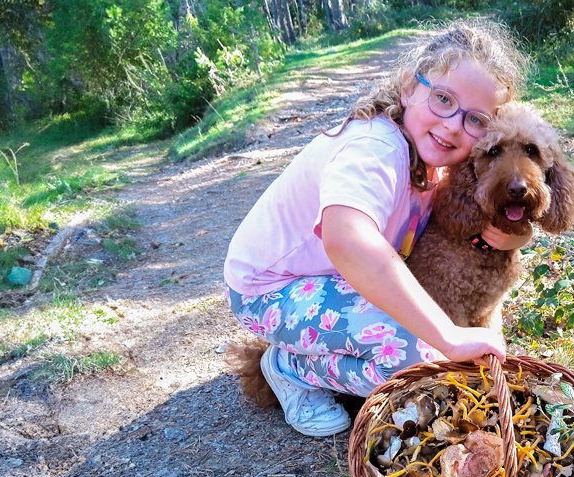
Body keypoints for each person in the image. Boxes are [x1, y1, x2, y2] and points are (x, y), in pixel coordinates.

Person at [223, 19, 531, 437]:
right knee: (421, 361)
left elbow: (458, 225)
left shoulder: (432, 157)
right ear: (408, 86)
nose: (453, 125)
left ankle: (317, 346)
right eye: (442, 98)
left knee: (434, 343)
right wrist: (449, 336)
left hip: (332, 281)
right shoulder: (376, 147)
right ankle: (289, 367)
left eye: (476, 119)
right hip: (269, 288)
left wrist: (515, 231)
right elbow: (347, 240)